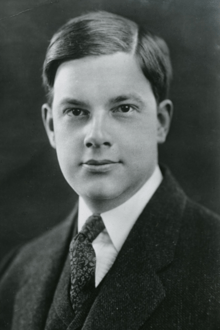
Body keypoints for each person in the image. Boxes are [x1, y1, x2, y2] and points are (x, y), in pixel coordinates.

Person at [0, 10, 219, 330]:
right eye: (75, 111)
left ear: (160, 121)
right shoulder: (17, 271)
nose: (97, 136)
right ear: (50, 125)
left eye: (123, 109)